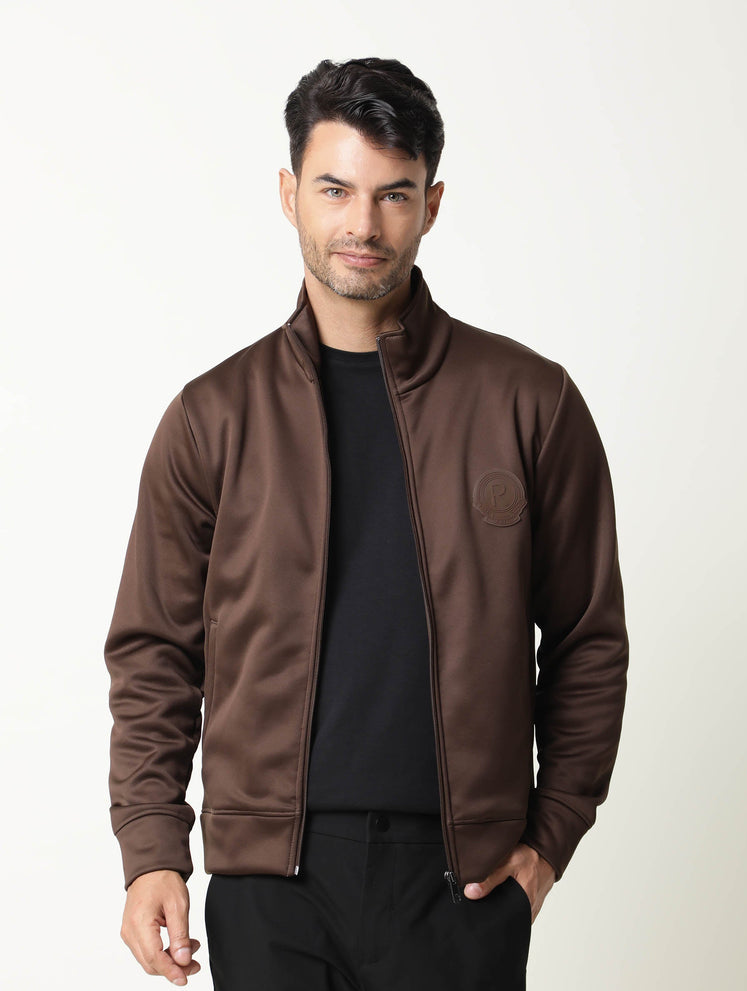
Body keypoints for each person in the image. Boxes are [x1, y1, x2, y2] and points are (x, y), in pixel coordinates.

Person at [105, 57, 629, 990]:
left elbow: (588, 638)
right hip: (271, 885)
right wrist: (152, 849)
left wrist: (549, 838)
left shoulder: (529, 402)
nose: (362, 224)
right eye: (335, 189)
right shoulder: (213, 417)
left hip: (462, 885)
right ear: (289, 194)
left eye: (393, 195)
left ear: (432, 204)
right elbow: (155, 652)